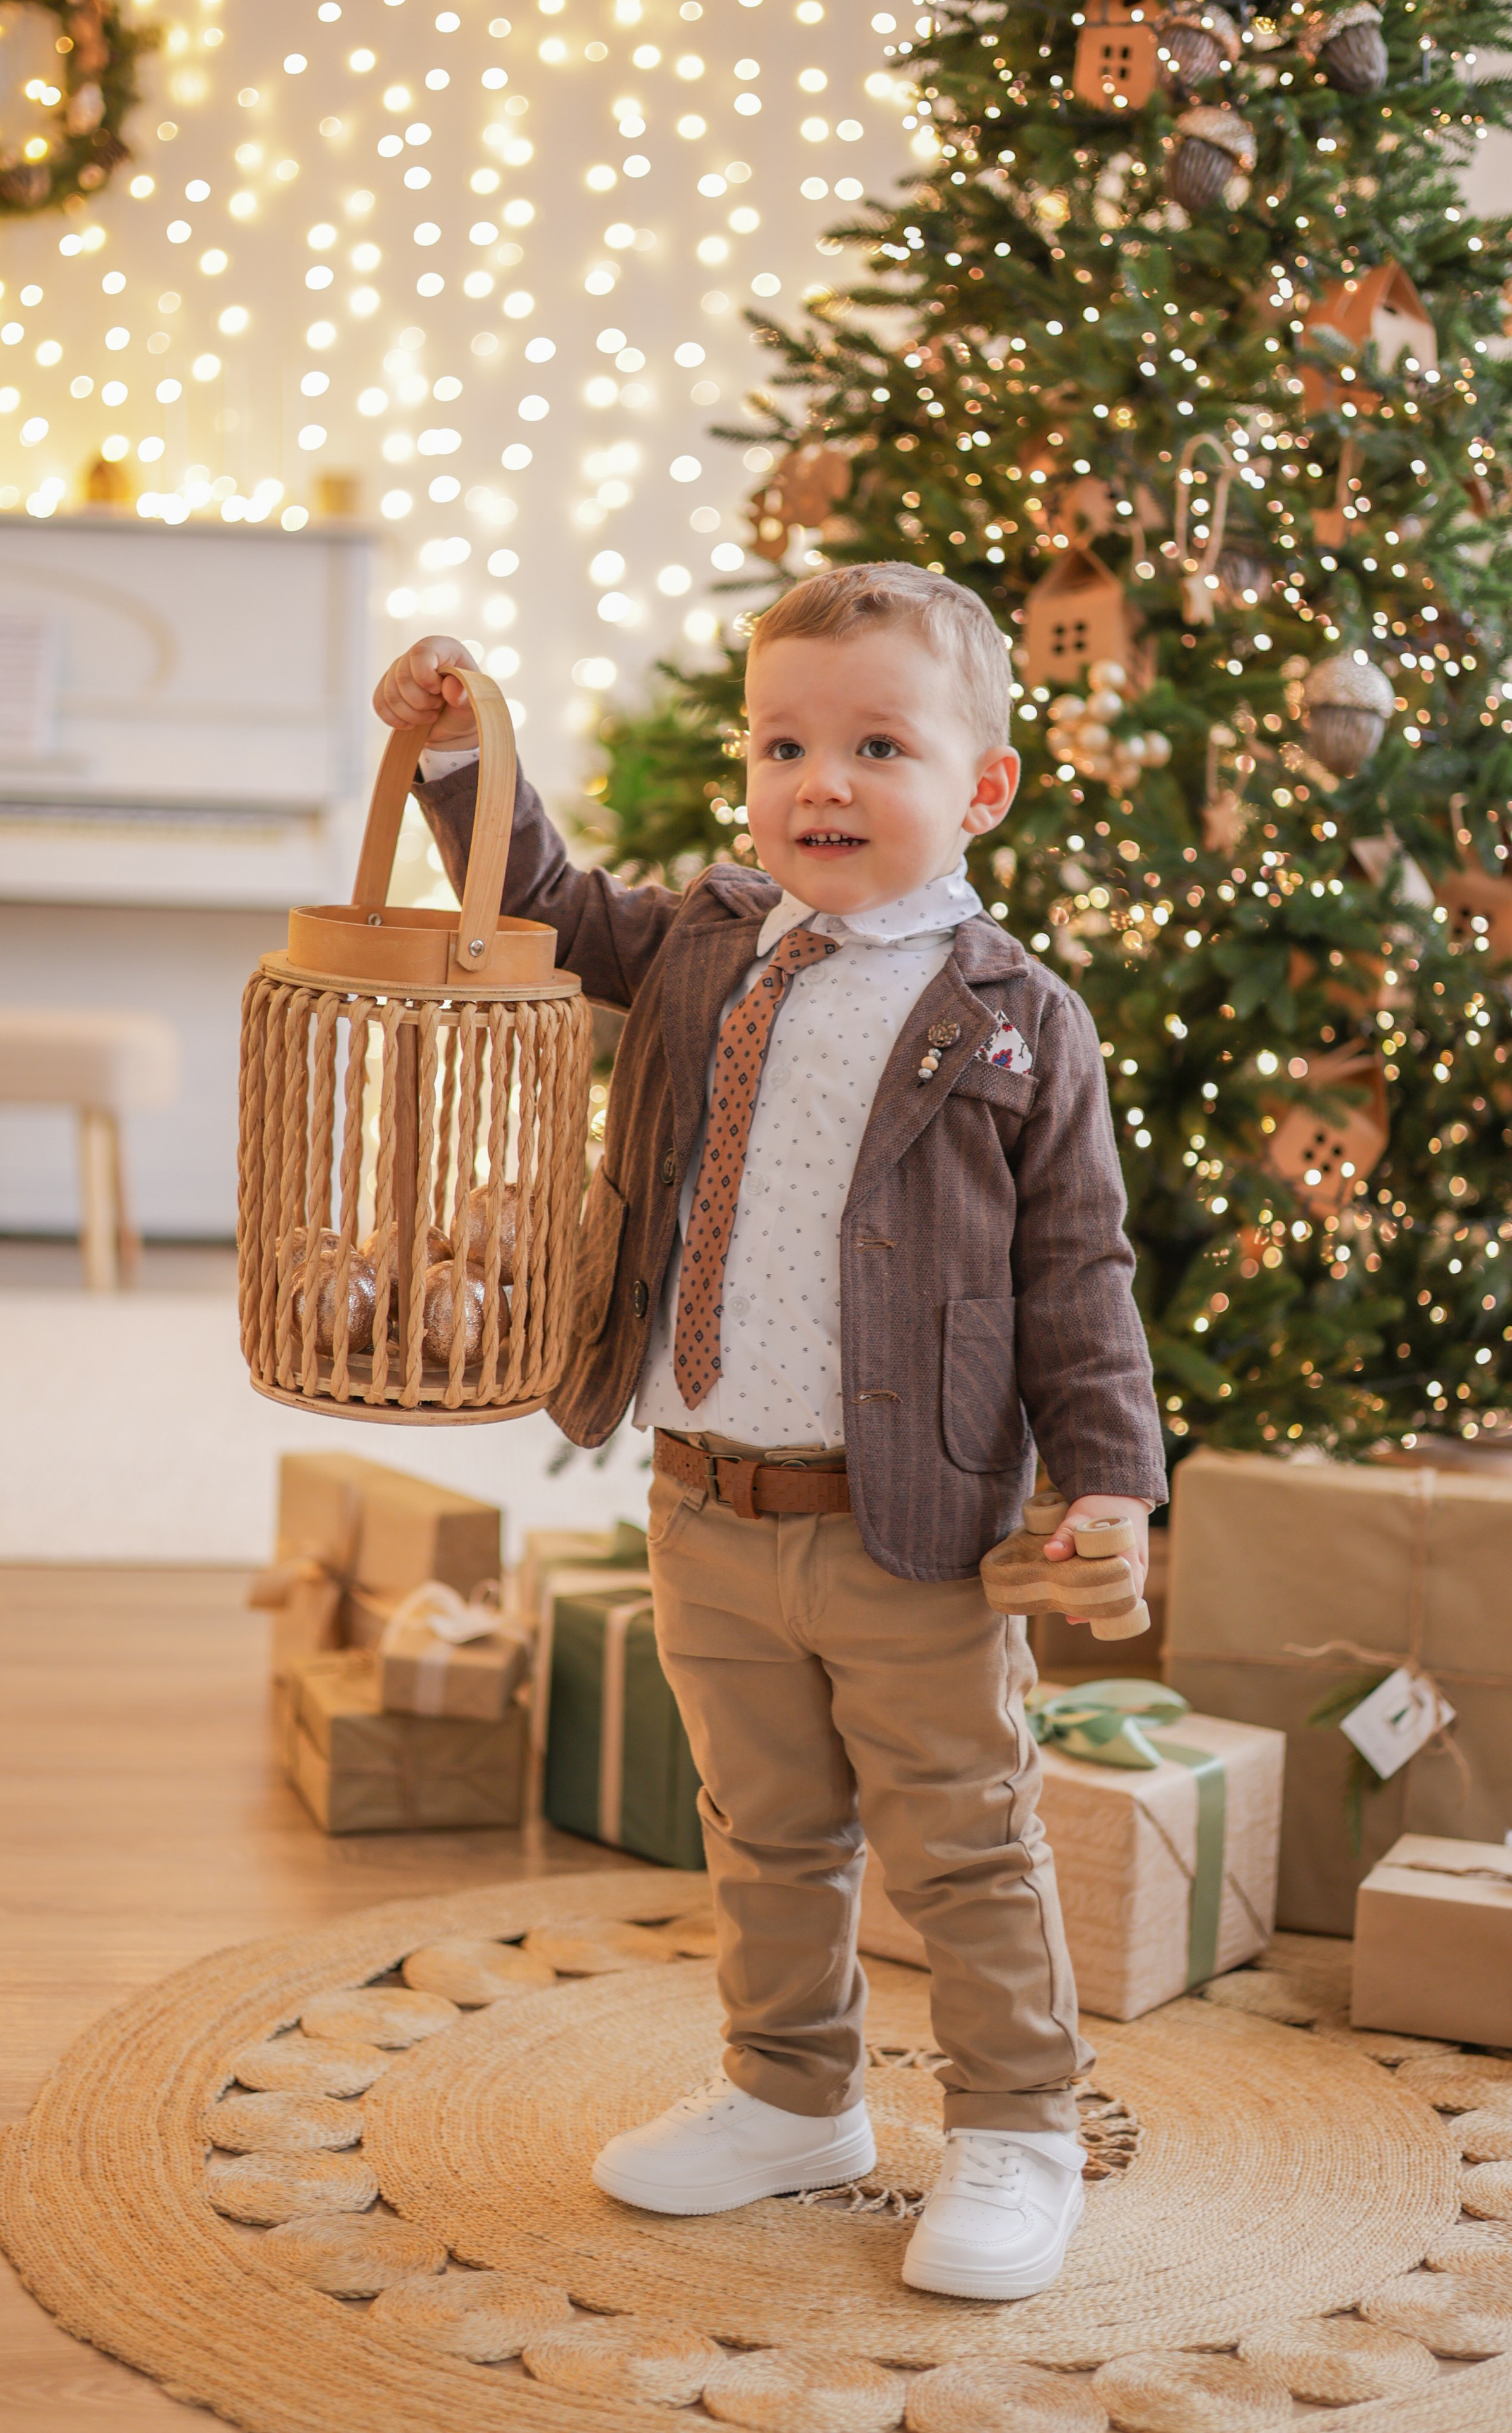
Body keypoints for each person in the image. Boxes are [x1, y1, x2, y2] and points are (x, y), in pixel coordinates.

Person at [375, 562, 1165, 2301]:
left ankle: (1022, 2121)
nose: (822, 780)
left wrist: (1108, 1482)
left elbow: (1079, 1276)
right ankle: (790, 2089)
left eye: (878, 744)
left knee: (963, 1828)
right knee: (764, 1819)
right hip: (708, 1501)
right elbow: (553, 902)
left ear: (979, 788)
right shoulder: (705, 941)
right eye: (786, 741)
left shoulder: (1018, 1020)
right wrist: (457, 754)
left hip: (919, 1523)